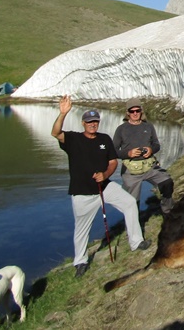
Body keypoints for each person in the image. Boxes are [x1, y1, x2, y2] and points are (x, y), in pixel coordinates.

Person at [51, 95, 149, 278]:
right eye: (89, 122)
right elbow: (55, 133)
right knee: (81, 229)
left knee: (129, 203)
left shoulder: (104, 139)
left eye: (95, 121)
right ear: (83, 123)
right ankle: (80, 262)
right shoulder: (73, 139)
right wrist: (63, 113)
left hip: (104, 187)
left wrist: (105, 175)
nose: (92, 124)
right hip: (82, 193)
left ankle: (136, 242)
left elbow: (113, 161)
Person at [112, 98, 174, 215]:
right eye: (132, 111)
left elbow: (156, 145)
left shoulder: (148, 127)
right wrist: (128, 153)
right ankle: (133, 228)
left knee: (167, 182)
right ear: (127, 113)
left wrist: (151, 150)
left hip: (149, 166)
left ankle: (168, 213)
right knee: (131, 202)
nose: (135, 113)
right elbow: (113, 151)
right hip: (131, 170)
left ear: (141, 111)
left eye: (137, 110)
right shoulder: (121, 129)